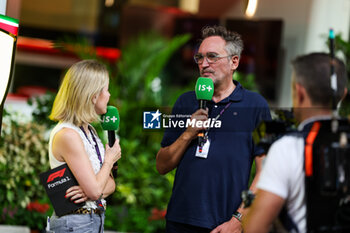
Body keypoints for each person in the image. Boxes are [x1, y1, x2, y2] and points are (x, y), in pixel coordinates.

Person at [156, 25, 271, 233]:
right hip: (179, 222)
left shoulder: (256, 106)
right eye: (199, 58)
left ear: (234, 61)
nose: (204, 64)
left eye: (212, 57)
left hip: (224, 225)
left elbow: (266, 172)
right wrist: (188, 134)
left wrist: (238, 219)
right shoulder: (185, 102)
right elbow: (162, 165)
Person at [243, 53, 348, 233]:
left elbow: (255, 227)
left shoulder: (287, 148)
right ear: (343, 94)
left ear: (299, 93)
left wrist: (249, 205)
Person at [47, 60, 122, 233]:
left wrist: (89, 190)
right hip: (75, 223)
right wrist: (109, 160)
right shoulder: (68, 135)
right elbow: (96, 190)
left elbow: (111, 185)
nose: (109, 95)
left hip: (93, 220)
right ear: (93, 95)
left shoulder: (91, 132)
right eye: (106, 89)